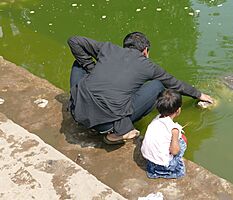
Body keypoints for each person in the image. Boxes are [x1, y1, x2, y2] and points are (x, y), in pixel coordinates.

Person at [67, 32, 213, 145]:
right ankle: (118, 133)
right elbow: (174, 84)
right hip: (105, 124)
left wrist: (90, 67)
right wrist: (199, 94)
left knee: (78, 63)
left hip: (77, 111)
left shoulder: (108, 48)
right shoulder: (148, 66)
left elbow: (74, 41)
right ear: (145, 51)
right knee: (157, 84)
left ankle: (83, 103)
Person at [141, 89, 187, 178]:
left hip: (148, 158)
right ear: (178, 110)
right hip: (162, 163)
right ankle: (170, 172)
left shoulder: (156, 119)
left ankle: (153, 169)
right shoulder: (174, 129)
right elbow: (174, 151)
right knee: (183, 141)